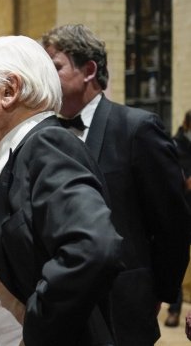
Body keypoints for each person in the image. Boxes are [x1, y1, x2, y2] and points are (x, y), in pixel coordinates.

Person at [0, 35, 124, 346]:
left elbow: (94, 247)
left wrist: (39, 330)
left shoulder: (45, 145)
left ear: (10, 91)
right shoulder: (22, 152)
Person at [42, 24, 191, 345]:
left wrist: (157, 293)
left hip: (123, 304)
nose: (45, 77)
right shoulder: (45, 134)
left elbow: (171, 224)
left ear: (89, 70)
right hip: (55, 305)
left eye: (54, 67)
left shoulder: (137, 129)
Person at [165, 109, 191, 327]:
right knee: (178, 262)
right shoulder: (174, 145)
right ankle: (174, 309)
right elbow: (170, 181)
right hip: (182, 210)